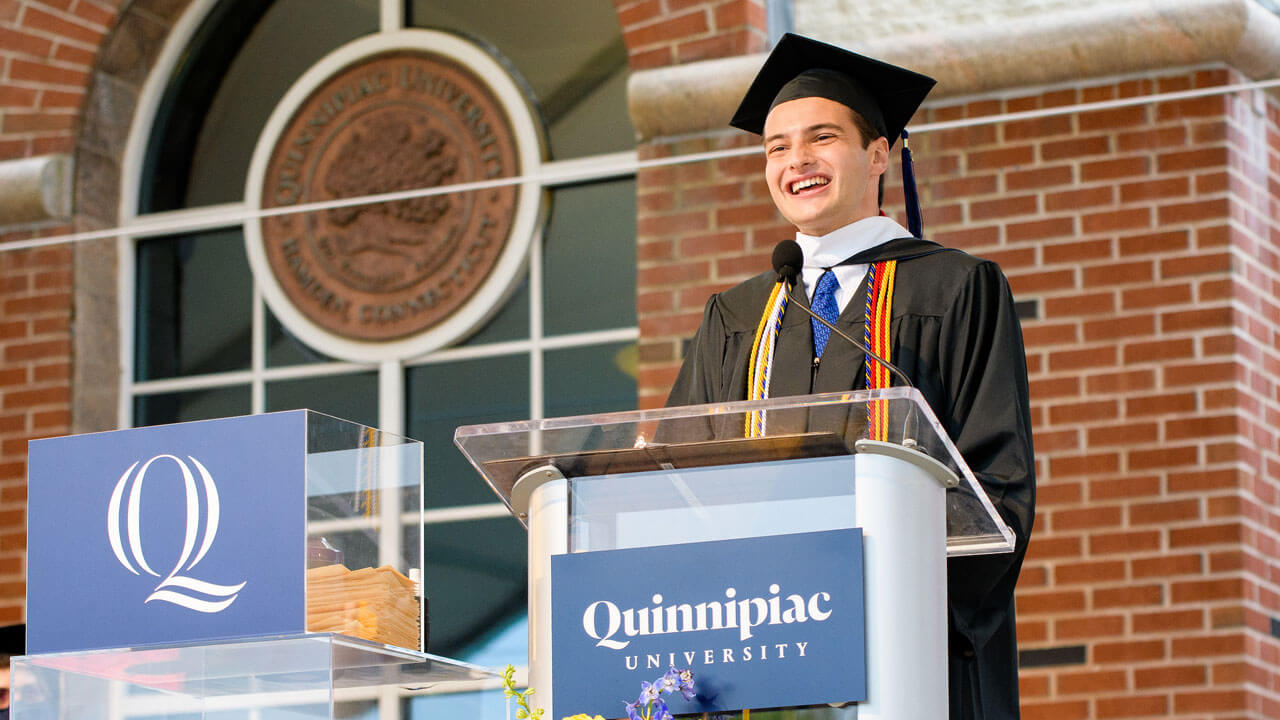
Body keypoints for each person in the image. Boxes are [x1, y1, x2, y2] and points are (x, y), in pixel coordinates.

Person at [665, 34, 1036, 720]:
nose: (795, 161)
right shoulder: (738, 316)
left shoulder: (956, 290)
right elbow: (679, 484)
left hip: (911, 659)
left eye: (820, 137)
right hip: (759, 656)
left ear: (878, 153)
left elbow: (998, 486)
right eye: (776, 146)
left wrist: (883, 605)